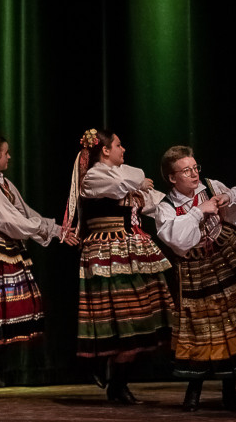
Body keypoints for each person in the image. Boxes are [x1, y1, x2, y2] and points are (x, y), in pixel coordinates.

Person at [153, 145, 236, 412]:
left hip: (226, 255)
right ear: (172, 178)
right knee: (202, 327)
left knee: (233, 321)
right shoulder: (166, 208)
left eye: (195, 168)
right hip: (196, 268)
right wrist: (198, 211)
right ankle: (194, 390)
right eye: (186, 171)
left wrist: (227, 199)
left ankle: (231, 391)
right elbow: (179, 242)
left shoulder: (210, 185)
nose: (194, 175)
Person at [62, 129, 174, 404]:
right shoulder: (95, 176)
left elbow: (154, 202)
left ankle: (116, 380)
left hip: (130, 251)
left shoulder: (120, 178)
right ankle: (107, 374)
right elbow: (132, 179)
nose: (123, 149)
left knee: (137, 318)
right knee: (117, 317)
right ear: (105, 150)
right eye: (118, 145)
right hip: (107, 252)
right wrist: (141, 181)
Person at [0, 135, 76, 399]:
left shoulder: (3, 182)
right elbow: (7, 220)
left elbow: (24, 213)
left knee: (22, 308)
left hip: (7, 249)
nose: (9, 157)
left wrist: (58, 230)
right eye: (6, 153)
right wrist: (48, 230)